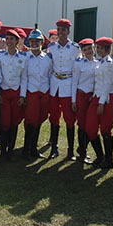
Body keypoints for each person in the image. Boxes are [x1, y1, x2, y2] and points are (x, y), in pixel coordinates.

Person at [47, 18, 80, 159]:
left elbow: (77, 68)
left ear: (68, 31)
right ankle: (54, 148)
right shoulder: (52, 47)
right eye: (59, 30)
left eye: (63, 30)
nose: (61, 33)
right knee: (54, 116)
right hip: (55, 84)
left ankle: (71, 150)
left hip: (68, 83)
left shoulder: (75, 48)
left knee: (69, 118)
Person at [84, 37, 113, 169]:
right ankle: (100, 156)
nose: (99, 50)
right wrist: (94, 97)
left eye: (102, 48)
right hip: (98, 97)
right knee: (90, 128)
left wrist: (101, 103)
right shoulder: (100, 62)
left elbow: (108, 84)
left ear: (108, 50)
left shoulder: (109, 63)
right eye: (97, 48)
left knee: (105, 129)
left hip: (107, 98)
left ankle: (109, 160)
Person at [21, 29, 52, 159]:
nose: (34, 43)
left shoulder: (47, 58)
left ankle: (34, 148)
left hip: (44, 92)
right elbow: (23, 78)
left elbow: (49, 75)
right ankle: (26, 149)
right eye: (32, 41)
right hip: (32, 91)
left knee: (40, 119)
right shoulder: (25, 57)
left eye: (37, 41)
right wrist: (23, 95)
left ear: (42, 42)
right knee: (31, 120)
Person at [0, 29, 27, 159]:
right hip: (3, 91)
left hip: (16, 92)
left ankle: (11, 149)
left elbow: (24, 78)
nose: (9, 41)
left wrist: (22, 96)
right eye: (7, 39)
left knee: (14, 121)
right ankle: (3, 149)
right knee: (5, 121)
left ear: (17, 41)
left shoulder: (23, 57)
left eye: (12, 39)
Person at [71, 38, 97, 163]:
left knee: (90, 123)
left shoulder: (98, 63)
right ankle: (82, 151)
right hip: (81, 95)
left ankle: (83, 148)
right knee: (82, 124)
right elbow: (74, 82)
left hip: (92, 97)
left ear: (94, 48)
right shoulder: (79, 63)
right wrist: (73, 101)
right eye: (85, 49)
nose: (88, 51)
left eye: (90, 48)